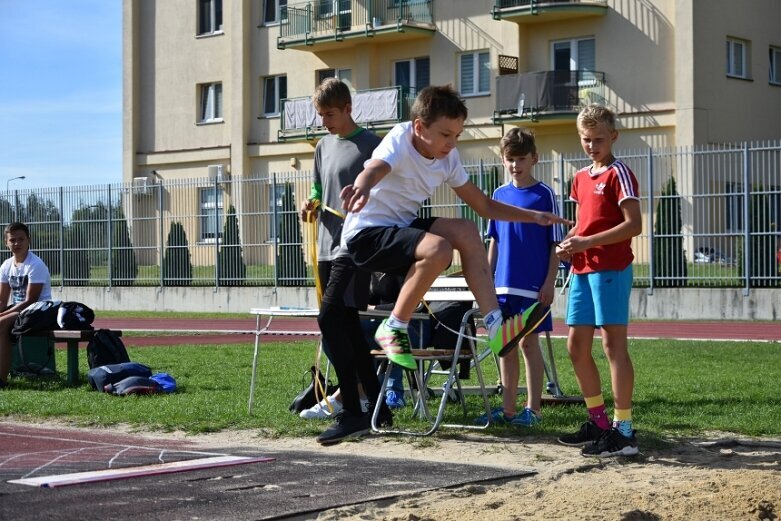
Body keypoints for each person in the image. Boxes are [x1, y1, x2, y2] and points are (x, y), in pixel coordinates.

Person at [340, 85, 571, 379]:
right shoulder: (400, 139)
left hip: (400, 227)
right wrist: (361, 185)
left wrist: (533, 216)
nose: (451, 143)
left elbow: (484, 205)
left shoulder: (447, 158)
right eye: (445, 135)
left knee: (466, 229)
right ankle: (394, 326)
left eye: (457, 135)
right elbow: (375, 167)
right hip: (367, 235)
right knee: (439, 249)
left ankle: (496, 325)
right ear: (420, 127)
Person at [297, 78, 390, 444]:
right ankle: (378, 408)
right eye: (321, 116)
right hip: (325, 245)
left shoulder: (372, 144)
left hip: (355, 249)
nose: (325, 122)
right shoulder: (322, 145)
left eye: (330, 114)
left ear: (349, 108)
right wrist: (311, 201)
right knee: (346, 328)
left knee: (330, 320)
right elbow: (319, 187)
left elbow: (384, 192)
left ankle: (352, 409)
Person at [555, 104, 642, 457]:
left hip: (611, 269)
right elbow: (583, 225)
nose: (592, 146)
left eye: (599, 140)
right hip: (582, 268)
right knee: (575, 346)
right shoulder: (579, 178)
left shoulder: (620, 173)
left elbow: (633, 225)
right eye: (586, 140)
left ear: (614, 137)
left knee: (612, 347)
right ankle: (600, 423)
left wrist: (587, 241)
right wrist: (567, 243)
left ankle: (624, 430)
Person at [473, 127, 562, 427]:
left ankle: (533, 410)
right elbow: (494, 241)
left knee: (527, 345)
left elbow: (555, 245)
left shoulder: (545, 195)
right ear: (503, 159)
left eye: (521, 158)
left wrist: (549, 282)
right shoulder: (498, 195)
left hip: (533, 288)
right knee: (504, 346)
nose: (515, 165)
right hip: (501, 286)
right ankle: (508, 409)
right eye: (510, 159)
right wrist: (485, 280)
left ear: (534, 158)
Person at [0, 222, 53, 389]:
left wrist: (2, 316)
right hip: (21, 311)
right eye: (12, 240)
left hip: (40, 312)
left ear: (28, 240)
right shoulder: (6, 265)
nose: (17, 243)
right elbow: (2, 300)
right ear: (6, 243)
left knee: (1, 324)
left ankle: (1, 380)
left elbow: (31, 300)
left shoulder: (35, 264)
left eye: (21, 239)